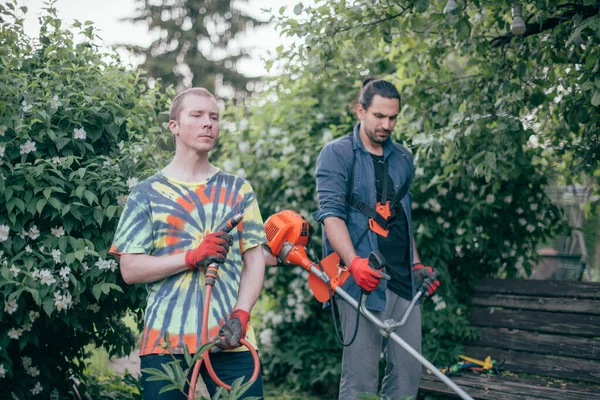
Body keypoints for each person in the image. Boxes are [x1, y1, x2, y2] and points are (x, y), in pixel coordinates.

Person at [110, 87, 266, 399]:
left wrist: (242, 313)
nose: (208, 123)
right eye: (197, 115)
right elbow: (130, 268)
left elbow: (255, 259)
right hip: (166, 343)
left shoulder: (239, 190)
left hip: (231, 339)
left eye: (214, 117)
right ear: (174, 126)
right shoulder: (147, 193)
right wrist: (192, 256)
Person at [312, 78, 439, 399]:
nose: (386, 124)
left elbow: (402, 217)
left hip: (403, 280)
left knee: (408, 376)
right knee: (361, 382)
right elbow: (331, 216)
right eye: (379, 116)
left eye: (393, 117)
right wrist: (353, 263)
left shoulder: (403, 158)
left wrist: (417, 263)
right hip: (361, 282)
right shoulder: (336, 154)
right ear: (360, 111)